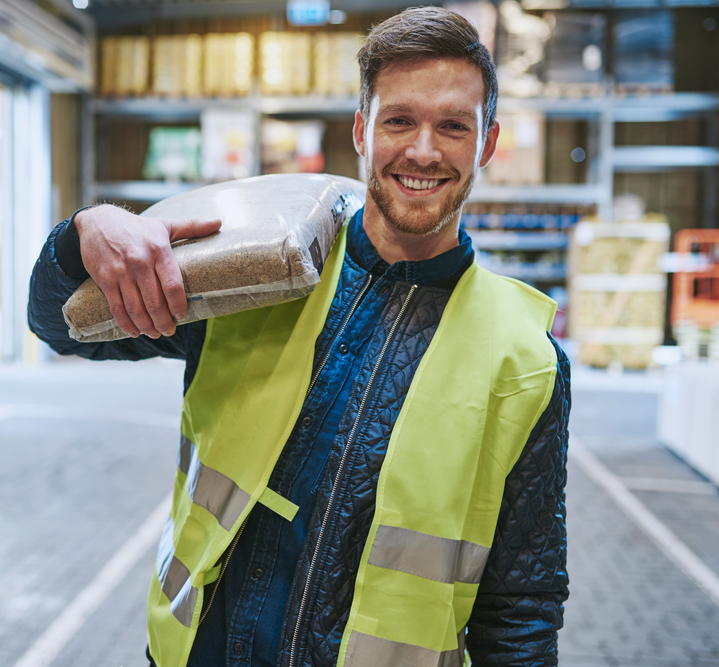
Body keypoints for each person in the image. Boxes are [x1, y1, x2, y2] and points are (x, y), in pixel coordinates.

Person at [28, 7, 569, 667]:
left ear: (485, 144)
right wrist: (85, 232)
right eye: (399, 119)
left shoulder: (524, 359)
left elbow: (521, 607)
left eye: (453, 125)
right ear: (361, 130)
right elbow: (61, 327)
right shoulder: (255, 273)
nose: (423, 150)